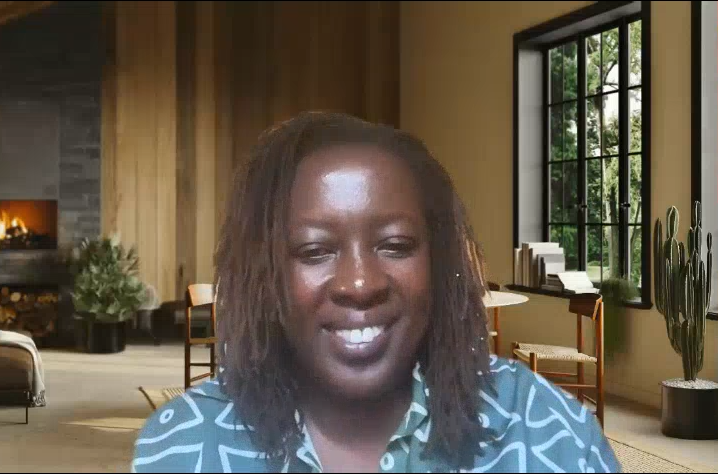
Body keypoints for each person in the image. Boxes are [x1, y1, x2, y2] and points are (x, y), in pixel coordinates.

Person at [132, 112, 620, 473]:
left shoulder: (553, 436)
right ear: (267, 274)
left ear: (439, 259)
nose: (360, 284)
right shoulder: (183, 445)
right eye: (315, 251)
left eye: (395, 245)